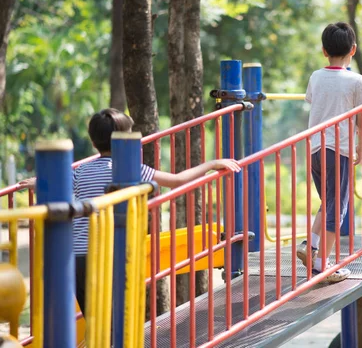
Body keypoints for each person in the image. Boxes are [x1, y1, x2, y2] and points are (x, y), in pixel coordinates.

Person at [20, 108, 240, 314]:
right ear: (126, 140)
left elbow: (55, 180)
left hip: (78, 255)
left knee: (95, 320)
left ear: (93, 141)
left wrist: (36, 182)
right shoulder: (130, 169)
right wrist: (211, 164)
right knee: (117, 318)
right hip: (110, 253)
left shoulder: (82, 170)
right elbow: (177, 181)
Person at [296, 22, 362, 283]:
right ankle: (322, 265)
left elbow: (312, 99)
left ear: (323, 51)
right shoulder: (356, 80)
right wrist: (361, 149)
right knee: (336, 208)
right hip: (338, 149)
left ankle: (311, 246)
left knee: (328, 202)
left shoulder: (316, 77)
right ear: (353, 49)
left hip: (315, 148)